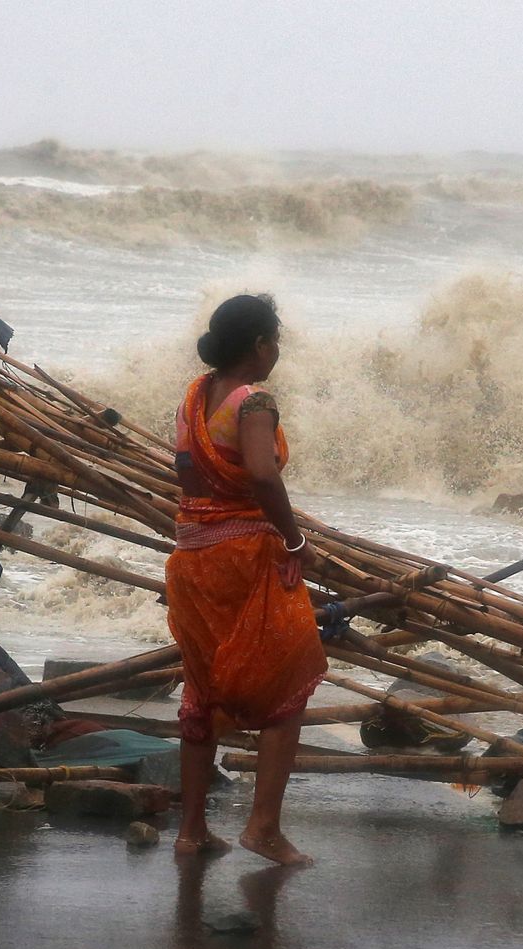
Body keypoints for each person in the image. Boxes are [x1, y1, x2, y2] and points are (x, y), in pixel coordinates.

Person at [166, 294, 326, 866]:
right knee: (289, 676)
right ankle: (263, 829)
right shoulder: (254, 402)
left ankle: (191, 831)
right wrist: (295, 540)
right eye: (274, 339)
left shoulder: (192, 399)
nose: (277, 350)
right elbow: (261, 473)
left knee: (202, 689)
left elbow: (192, 477)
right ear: (260, 345)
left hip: (191, 559)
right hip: (246, 559)